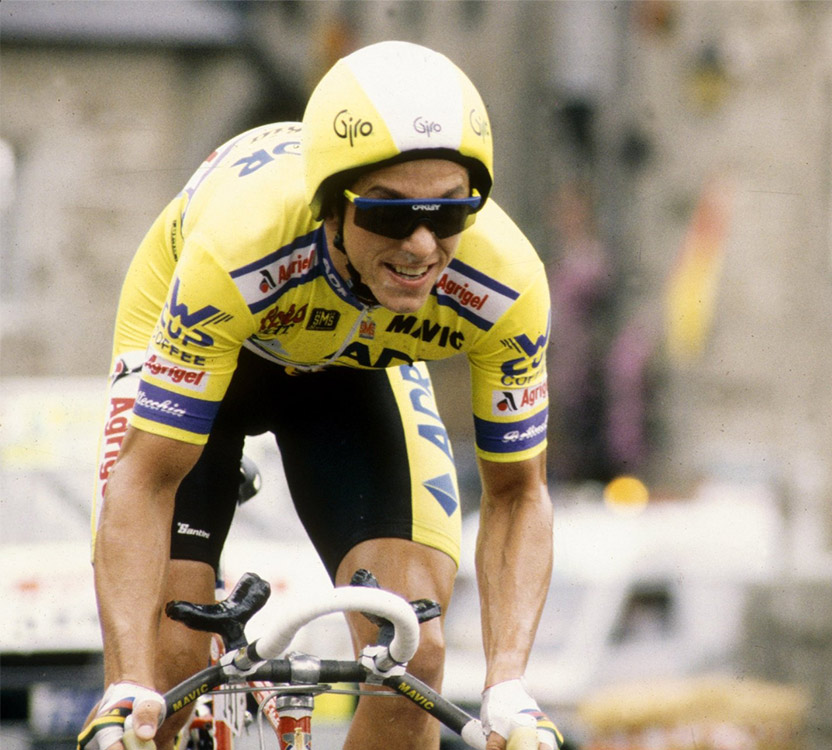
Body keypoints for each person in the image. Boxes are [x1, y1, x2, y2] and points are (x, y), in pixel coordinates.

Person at [79, 41, 560, 750]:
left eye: (451, 213)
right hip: (221, 342)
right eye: (393, 215)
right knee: (168, 661)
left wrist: (508, 686)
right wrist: (126, 684)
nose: (424, 245)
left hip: (353, 365)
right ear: (331, 206)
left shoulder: (506, 281)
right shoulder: (239, 248)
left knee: (412, 657)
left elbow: (519, 493)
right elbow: (146, 478)